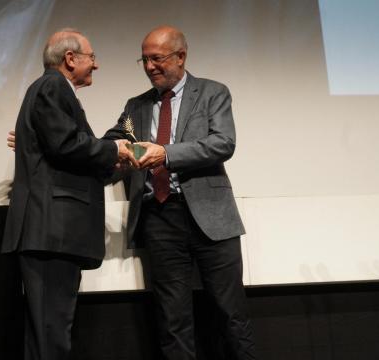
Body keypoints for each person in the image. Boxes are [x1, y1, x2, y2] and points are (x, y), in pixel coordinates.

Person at [103, 25, 256, 359]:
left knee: (230, 312)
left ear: (181, 56)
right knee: (172, 318)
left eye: (157, 59)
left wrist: (167, 154)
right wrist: (51, 142)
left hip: (211, 215)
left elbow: (222, 142)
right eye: (144, 60)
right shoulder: (136, 107)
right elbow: (114, 141)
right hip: (159, 217)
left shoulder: (213, 92)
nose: (149, 67)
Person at [1, 29, 137, 360]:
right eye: (92, 57)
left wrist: (120, 161)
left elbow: (65, 157)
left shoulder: (56, 90)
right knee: (51, 332)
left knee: (48, 331)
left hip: (54, 234)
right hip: (52, 232)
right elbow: (64, 144)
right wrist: (112, 147)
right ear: (70, 58)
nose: (97, 65)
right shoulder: (51, 86)